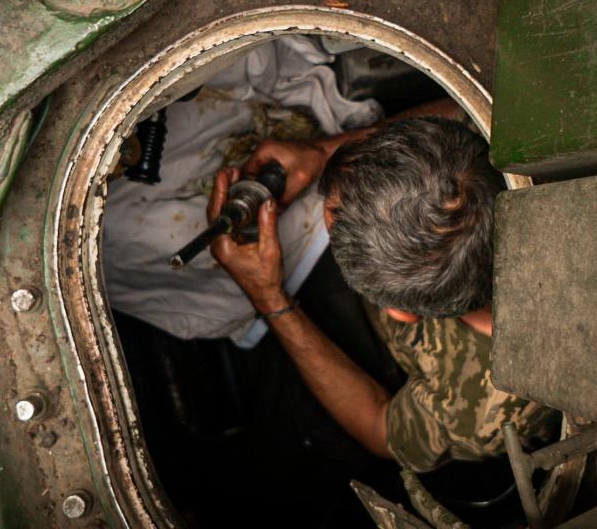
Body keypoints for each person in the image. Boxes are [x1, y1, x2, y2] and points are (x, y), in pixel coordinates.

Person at [207, 101, 555, 478]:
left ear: (403, 314)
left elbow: (380, 428)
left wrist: (268, 298)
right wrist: (322, 151)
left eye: (332, 219)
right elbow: (466, 106)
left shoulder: (487, 412)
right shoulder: (522, 129)